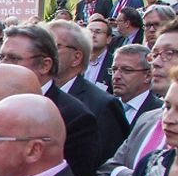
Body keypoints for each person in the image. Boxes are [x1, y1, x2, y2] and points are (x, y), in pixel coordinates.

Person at [0, 24, 101, 176]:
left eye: (14, 59)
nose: (3, 65)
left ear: (45, 65)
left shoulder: (75, 118)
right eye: (1, 57)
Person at [47, 20, 129, 160]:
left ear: (76, 57)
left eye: (54, 46)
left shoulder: (103, 105)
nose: (45, 53)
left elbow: (105, 166)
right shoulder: (35, 95)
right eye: (43, 46)